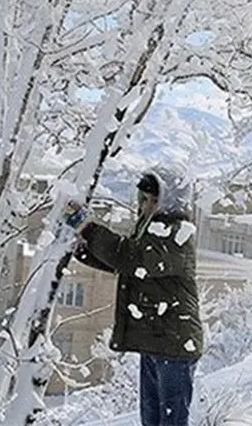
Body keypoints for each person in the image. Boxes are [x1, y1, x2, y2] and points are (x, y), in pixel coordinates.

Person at [66, 167, 204, 426]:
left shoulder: (177, 233)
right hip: (156, 340)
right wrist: (84, 251)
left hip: (175, 343)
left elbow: (132, 258)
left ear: (170, 201)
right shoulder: (148, 229)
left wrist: (88, 228)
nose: (147, 206)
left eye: (155, 200)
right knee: (151, 417)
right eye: (144, 199)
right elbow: (128, 266)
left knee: (171, 420)